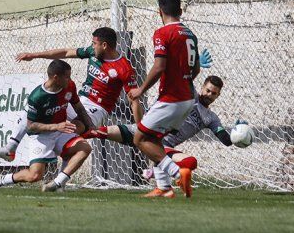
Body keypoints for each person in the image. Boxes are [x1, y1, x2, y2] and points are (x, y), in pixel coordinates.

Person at [0, 27, 142, 161]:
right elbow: (66, 52)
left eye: (94, 44)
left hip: (97, 108)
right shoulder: (93, 53)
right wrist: (34, 55)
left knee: (70, 132)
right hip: (78, 100)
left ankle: (58, 176)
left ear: (104, 45)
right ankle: (11, 148)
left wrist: (140, 127)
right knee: (32, 110)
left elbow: (134, 99)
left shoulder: (124, 68)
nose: (91, 46)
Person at [86, 75, 243, 197]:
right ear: (202, 88)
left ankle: (162, 181)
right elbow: (182, 78)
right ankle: (69, 138)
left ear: (218, 95)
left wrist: (238, 133)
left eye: (214, 93)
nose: (209, 94)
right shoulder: (190, 95)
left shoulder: (211, 118)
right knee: (98, 132)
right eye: (208, 90)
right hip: (142, 130)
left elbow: (226, 140)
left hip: (164, 146)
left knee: (190, 162)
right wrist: (196, 68)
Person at [0, 60, 93, 192]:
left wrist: (91, 126)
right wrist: (56, 126)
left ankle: (58, 183)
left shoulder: (69, 86)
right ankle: (1, 179)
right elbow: (31, 126)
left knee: (85, 148)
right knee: (35, 176)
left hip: (61, 132)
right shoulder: (37, 97)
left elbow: (79, 108)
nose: (70, 79)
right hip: (40, 136)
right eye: (67, 76)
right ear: (56, 77)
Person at [127, 0, 200, 198]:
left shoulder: (162, 33)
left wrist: (140, 90)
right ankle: (164, 187)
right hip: (187, 98)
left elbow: (159, 67)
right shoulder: (190, 34)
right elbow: (195, 70)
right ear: (181, 10)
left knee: (139, 139)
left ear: (160, 12)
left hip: (172, 99)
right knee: (155, 139)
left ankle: (178, 173)